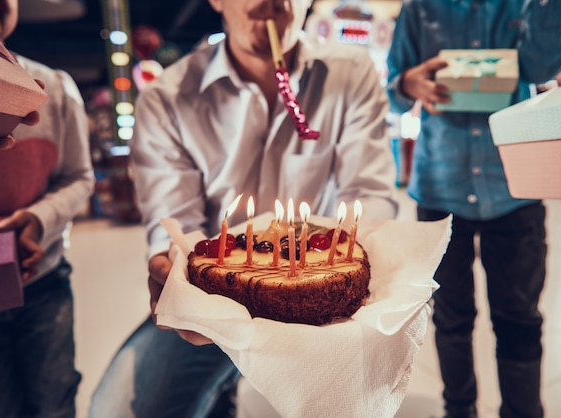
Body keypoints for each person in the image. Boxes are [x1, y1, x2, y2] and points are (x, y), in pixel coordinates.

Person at [89, 0, 398, 416]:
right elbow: (178, 225)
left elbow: (368, 192)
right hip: (217, 299)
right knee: (118, 408)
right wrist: (179, 276)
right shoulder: (169, 96)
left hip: (320, 305)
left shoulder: (351, 72)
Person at [386, 1, 561, 418]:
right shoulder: (420, 8)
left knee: (519, 318)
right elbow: (391, 91)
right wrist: (407, 86)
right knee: (451, 320)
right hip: (439, 187)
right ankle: (459, 410)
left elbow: (542, 66)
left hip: (516, 185)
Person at [0, 0, 95, 416]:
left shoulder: (53, 87)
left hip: (42, 281)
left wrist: (37, 220)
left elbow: (80, 177)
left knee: (54, 399)